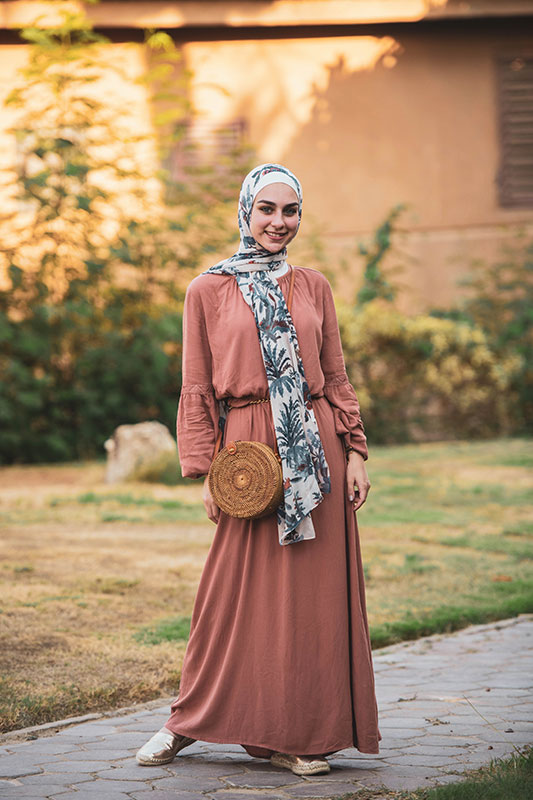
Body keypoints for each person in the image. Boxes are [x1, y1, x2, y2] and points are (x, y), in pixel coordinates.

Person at [136, 163, 379, 776]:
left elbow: (336, 374)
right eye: (267, 209)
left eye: (290, 211)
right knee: (229, 596)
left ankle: (297, 733)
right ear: (246, 211)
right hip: (247, 456)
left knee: (309, 601)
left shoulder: (313, 285)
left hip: (314, 450)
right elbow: (196, 387)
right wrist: (206, 472)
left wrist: (354, 451)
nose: (279, 222)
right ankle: (187, 719)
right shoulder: (208, 289)